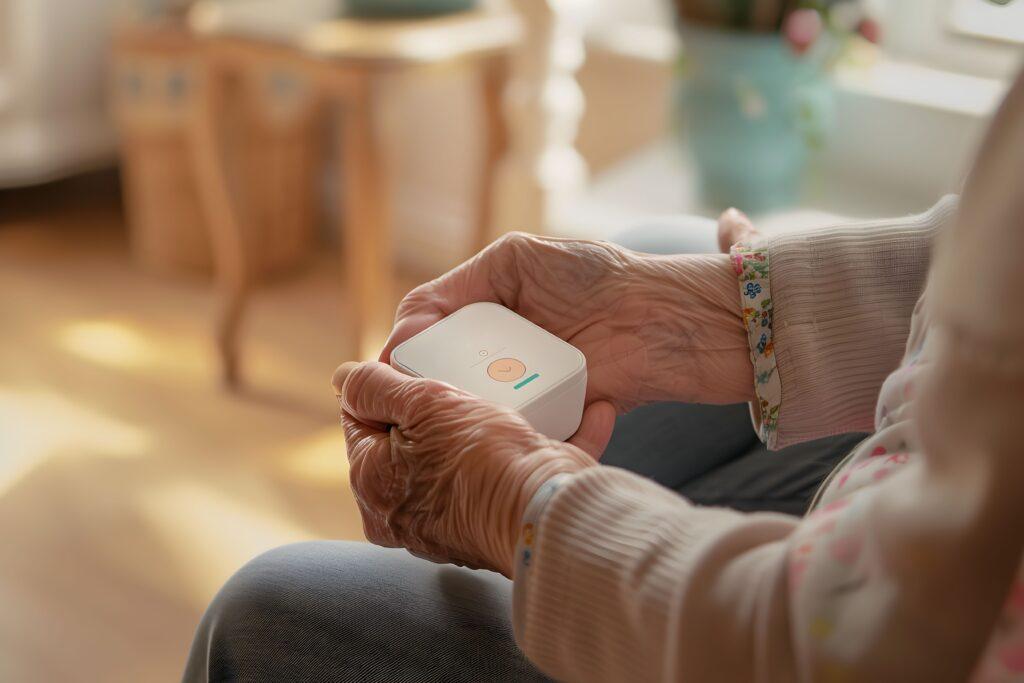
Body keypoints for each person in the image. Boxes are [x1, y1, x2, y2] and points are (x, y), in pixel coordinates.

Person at [183, 70, 1024, 682]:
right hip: (910, 498)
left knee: (266, 618)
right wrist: (697, 314)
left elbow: (867, 648)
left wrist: (521, 500)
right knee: (668, 240)